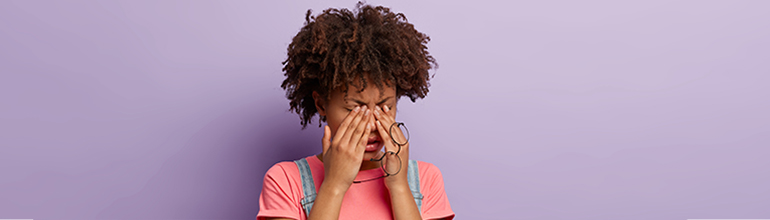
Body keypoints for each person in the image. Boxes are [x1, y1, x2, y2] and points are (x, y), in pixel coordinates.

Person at [257, 3, 454, 220]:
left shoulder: (426, 179)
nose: (371, 125)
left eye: (384, 106)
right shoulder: (285, 180)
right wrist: (334, 185)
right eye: (354, 109)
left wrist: (399, 186)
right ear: (321, 104)